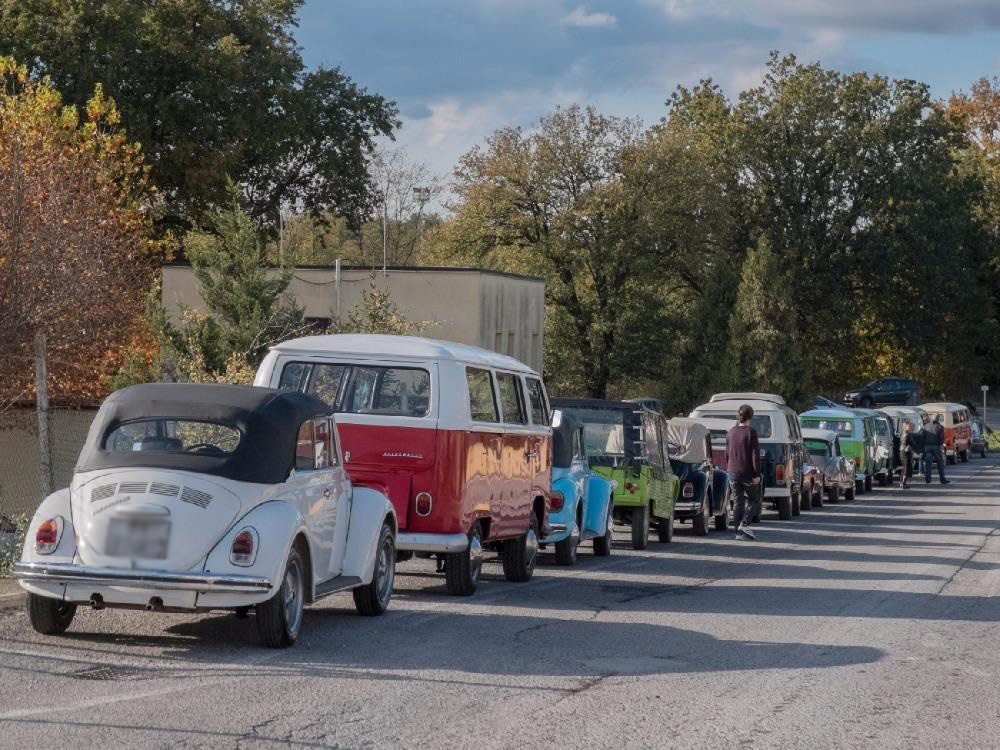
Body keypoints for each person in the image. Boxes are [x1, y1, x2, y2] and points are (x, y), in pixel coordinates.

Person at [726, 404, 761, 540]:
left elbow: (727, 454)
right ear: (751, 417)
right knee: (754, 499)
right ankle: (744, 524)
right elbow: (755, 455)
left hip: (732, 471)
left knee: (738, 501)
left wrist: (729, 469)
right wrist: (757, 474)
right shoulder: (751, 432)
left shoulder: (730, 432)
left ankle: (737, 533)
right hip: (747, 472)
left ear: (738, 416)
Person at [922, 414, 950, 485]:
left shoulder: (925, 426)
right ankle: (942, 479)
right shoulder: (940, 427)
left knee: (928, 464)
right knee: (940, 463)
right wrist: (941, 447)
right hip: (936, 447)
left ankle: (928, 480)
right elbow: (941, 438)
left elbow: (923, 437)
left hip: (927, 447)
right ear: (938, 419)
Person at [898, 421, 915, 489]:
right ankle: (903, 483)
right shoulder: (907, 434)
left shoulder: (902, 433)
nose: (910, 427)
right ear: (905, 426)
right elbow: (910, 443)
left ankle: (901, 483)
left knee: (904, 467)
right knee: (906, 468)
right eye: (909, 425)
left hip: (901, 451)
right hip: (906, 451)